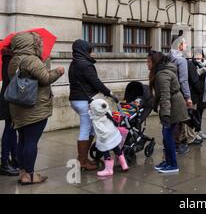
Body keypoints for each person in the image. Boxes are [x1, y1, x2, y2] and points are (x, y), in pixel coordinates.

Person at [8, 32, 64, 184]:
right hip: (34, 107)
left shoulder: (14, 60)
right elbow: (45, 79)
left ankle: (23, 172)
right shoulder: (31, 60)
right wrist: (58, 71)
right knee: (32, 141)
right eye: (38, 43)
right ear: (31, 44)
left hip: (18, 107)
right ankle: (30, 175)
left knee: (23, 140)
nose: (40, 45)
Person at [68, 39, 118, 171]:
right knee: (85, 129)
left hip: (75, 100)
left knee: (90, 129)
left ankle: (83, 158)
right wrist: (109, 93)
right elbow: (96, 82)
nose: (92, 53)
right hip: (83, 100)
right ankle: (82, 161)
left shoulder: (74, 64)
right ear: (83, 51)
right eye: (90, 51)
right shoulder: (85, 65)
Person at [149, 51, 189, 174]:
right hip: (172, 105)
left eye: (149, 61)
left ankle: (173, 165)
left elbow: (165, 95)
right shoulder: (161, 72)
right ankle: (168, 161)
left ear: (155, 62)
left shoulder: (162, 74)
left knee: (168, 137)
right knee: (166, 136)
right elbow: (159, 94)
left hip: (174, 107)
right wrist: (155, 105)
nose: (147, 64)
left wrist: (165, 115)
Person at [89, 99, 128, 177]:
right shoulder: (107, 113)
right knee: (117, 149)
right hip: (114, 135)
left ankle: (109, 170)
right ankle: (124, 165)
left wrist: (102, 140)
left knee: (106, 152)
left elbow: (100, 131)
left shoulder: (97, 120)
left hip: (106, 138)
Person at [168, 35, 192, 155]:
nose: (186, 45)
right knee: (178, 120)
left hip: (167, 92)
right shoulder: (181, 60)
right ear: (179, 45)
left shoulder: (167, 57)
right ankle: (176, 146)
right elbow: (183, 80)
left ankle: (168, 144)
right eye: (184, 43)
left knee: (169, 120)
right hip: (178, 93)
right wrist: (188, 97)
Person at [0, 45, 19, 176]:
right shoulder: (10, 60)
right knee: (9, 129)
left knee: (11, 129)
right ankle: (5, 162)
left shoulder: (9, 58)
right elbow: (12, 79)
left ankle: (13, 160)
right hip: (9, 98)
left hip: (9, 97)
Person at [190, 50, 206, 139]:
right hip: (195, 91)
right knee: (195, 113)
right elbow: (192, 78)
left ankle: (199, 130)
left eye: (200, 54)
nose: (198, 56)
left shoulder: (205, 63)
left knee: (201, 111)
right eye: (196, 54)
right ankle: (195, 132)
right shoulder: (192, 64)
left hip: (203, 91)